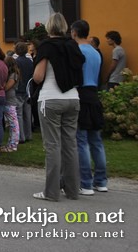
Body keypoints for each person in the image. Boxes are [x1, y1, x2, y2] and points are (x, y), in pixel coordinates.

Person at [32, 13, 84, 201]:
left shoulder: (47, 46)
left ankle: (51, 192)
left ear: (48, 27)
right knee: (70, 145)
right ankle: (72, 190)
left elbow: (38, 76)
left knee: (52, 146)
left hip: (51, 98)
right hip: (73, 98)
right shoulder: (73, 46)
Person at [72, 20, 108, 195]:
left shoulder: (77, 51)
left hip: (81, 94)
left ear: (74, 32)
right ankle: (101, 181)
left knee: (81, 141)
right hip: (94, 95)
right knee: (97, 141)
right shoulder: (96, 52)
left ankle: (85, 183)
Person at [14, 42, 34, 143]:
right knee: (28, 114)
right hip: (28, 89)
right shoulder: (30, 62)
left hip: (18, 90)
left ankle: (21, 137)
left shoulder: (16, 62)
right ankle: (28, 134)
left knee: (19, 114)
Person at [2, 56, 20, 152]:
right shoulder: (12, 74)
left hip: (10, 102)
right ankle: (10, 144)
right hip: (8, 101)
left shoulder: (13, 75)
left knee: (13, 124)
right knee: (12, 124)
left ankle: (13, 145)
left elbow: (6, 87)